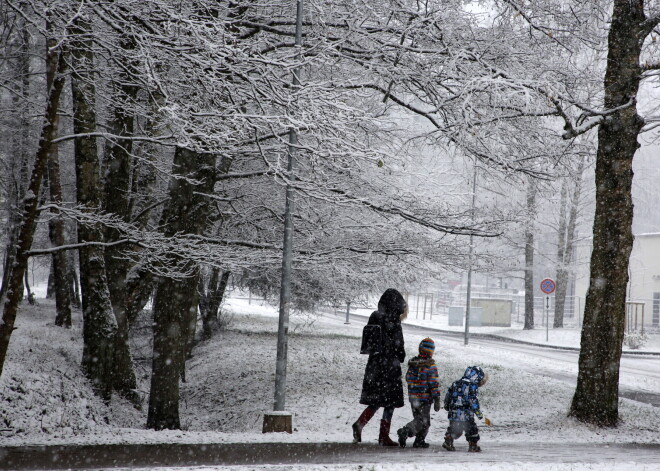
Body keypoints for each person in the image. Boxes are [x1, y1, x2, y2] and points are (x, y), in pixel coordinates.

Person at [352, 288, 407, 446]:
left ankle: (360, 423)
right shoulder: (393, 319)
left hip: (375, 364)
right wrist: (400, 356)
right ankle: (383, 435)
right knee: (390, 402)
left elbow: (370, 340)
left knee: (376, 399)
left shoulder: (374, 316)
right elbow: (398, 343)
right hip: (390, 366)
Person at [396, 338, 441, 448]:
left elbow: (408, 378)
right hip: (425, 399)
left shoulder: (413, 364)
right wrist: (437, 399)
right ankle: (406, 431)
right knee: (423, 421)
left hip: (413, 398)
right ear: (431, 352)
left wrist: (416, 386)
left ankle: (419, 441)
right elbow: (433, 383)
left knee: (419, 419)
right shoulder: (430, 366)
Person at [442, 365, 489, 452]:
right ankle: (473, 445)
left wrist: (447, 404)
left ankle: (448, 439)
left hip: (454, 412)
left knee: (455, 428)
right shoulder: (472, 386)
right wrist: (477, 411)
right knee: (471, 429)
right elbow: (472, 400)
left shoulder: (456, 383)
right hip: (466, 413)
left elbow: (448, 395)